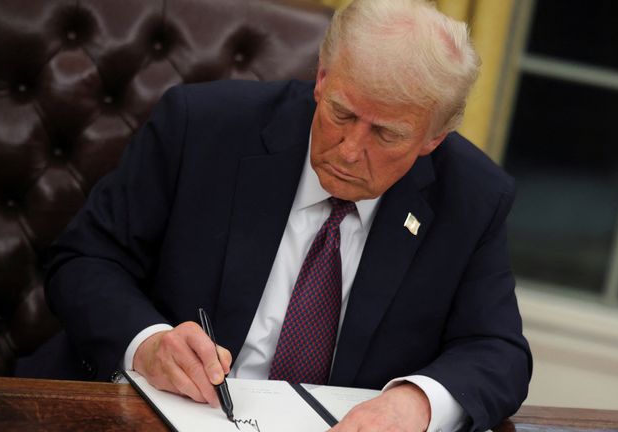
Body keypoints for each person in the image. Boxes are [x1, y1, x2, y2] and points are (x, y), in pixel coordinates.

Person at [43, 0, 531, 430]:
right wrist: (148, 344)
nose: (350, 149)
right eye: (342, 113)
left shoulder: (471, 197)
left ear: (432, 139)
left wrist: (417, 403)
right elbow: (84, 260)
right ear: (322, 79)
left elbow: (497, 351)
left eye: (385, 134)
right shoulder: (202, 128)